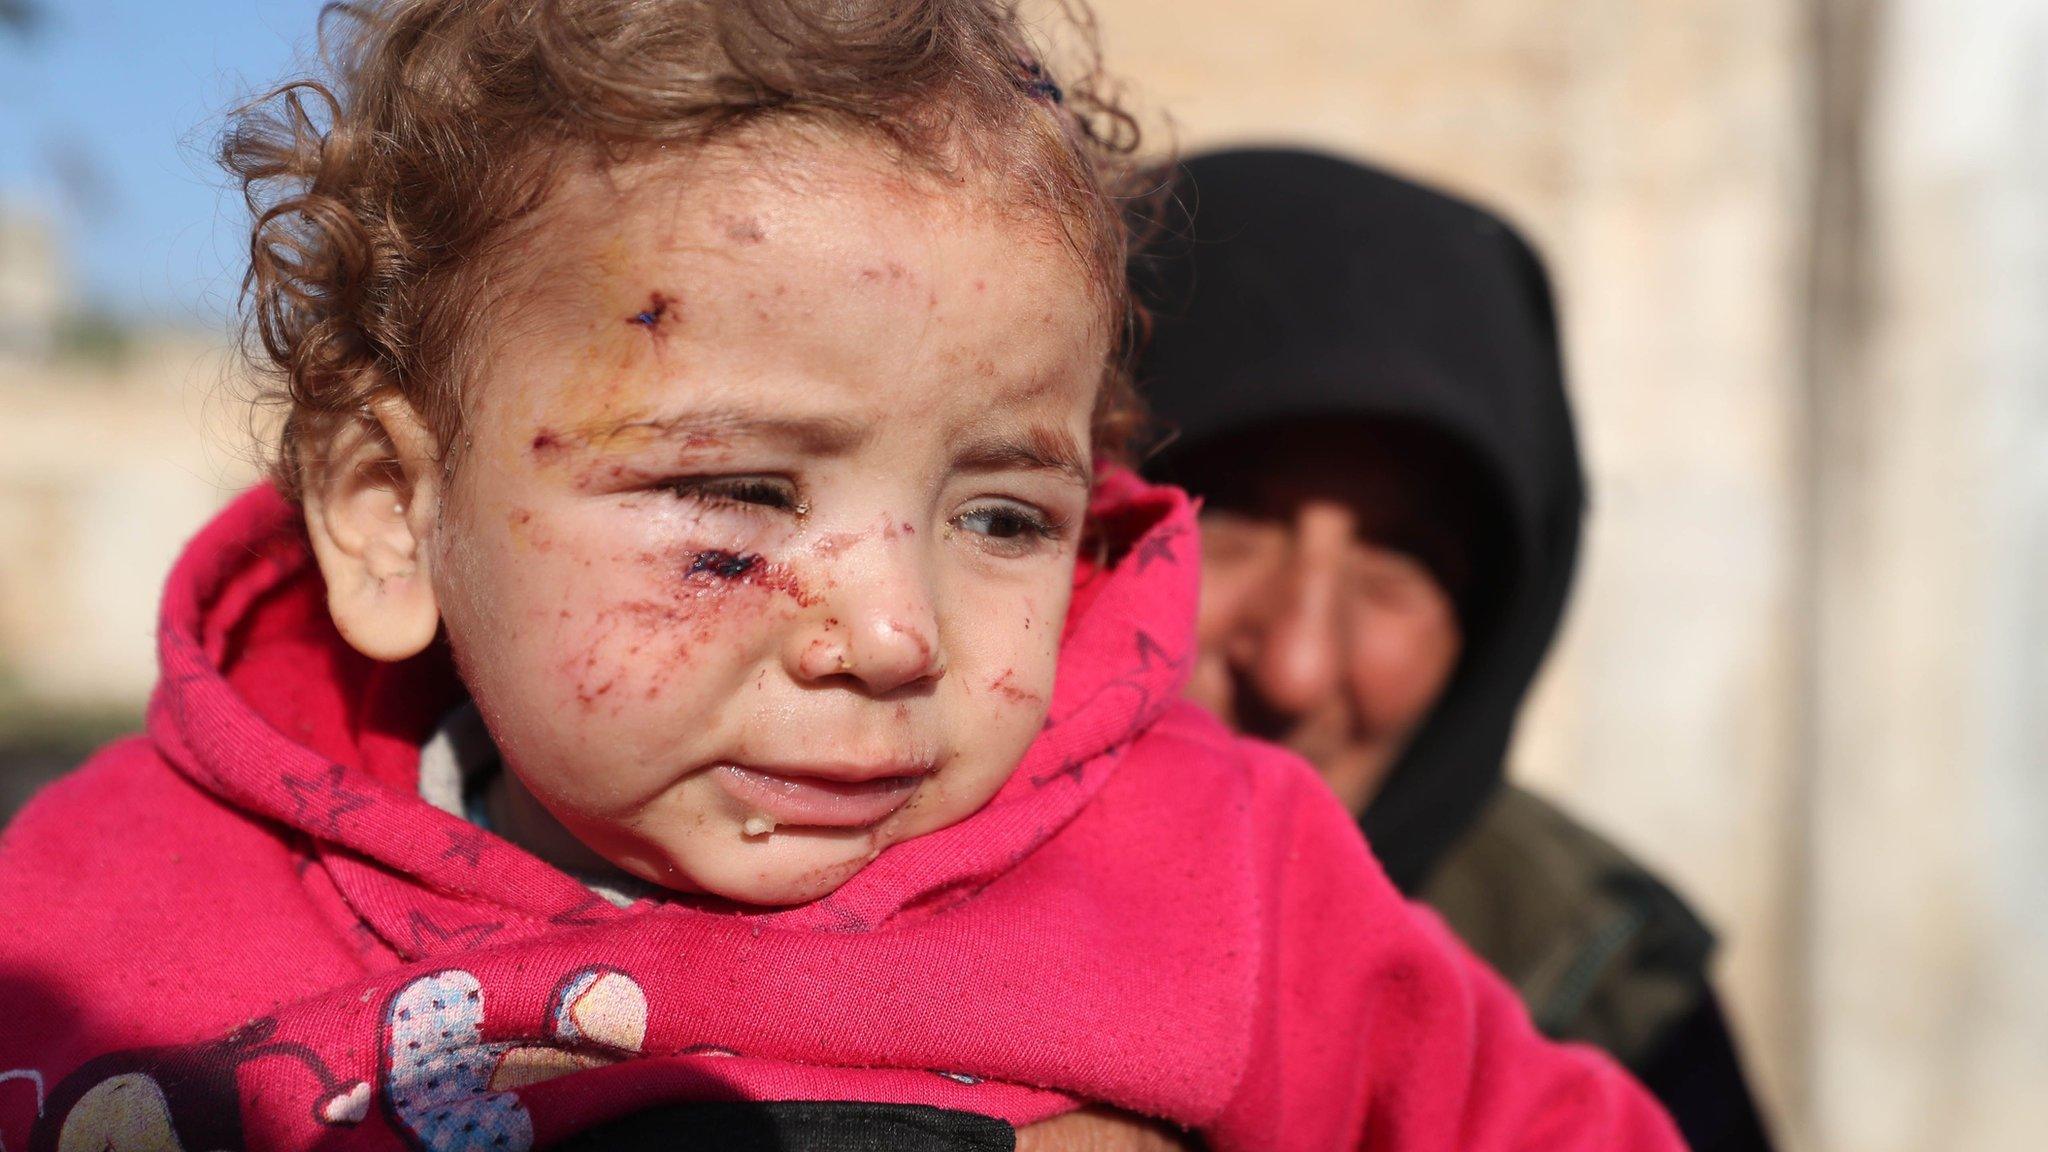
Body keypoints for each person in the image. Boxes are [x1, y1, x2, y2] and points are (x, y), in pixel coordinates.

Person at [0, 7, 1687, 1150]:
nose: (895, 633)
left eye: (1003, 516)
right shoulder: (97, 909)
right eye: (737, 491)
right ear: (386, 514)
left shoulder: (1222, 876)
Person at [1136, 146, 1776, 1151]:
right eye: (1225, 526)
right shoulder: (855, 897)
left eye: (1398, 564)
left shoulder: (1599, 984)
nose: (1296, 667)